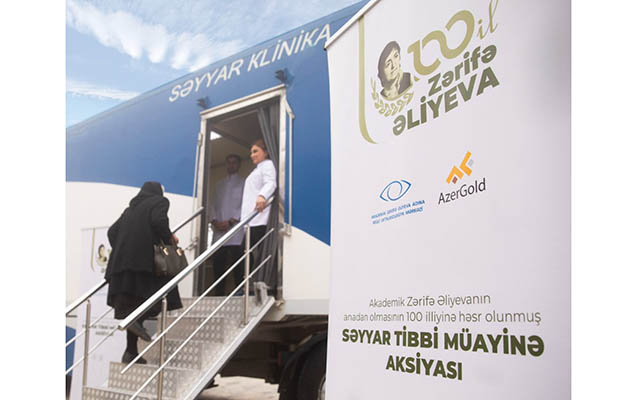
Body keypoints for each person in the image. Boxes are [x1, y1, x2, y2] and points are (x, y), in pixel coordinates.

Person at [105, 181, 183, 364]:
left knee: (134, 306)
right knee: (164, 293)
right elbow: (159, 221)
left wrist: (124, 248)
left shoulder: (129, 210)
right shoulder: (160, 201)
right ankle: (136, 321)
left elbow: (111, 232)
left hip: (122, 267)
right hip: (144, 264)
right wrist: (170, 239)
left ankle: (130, 352)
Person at [208, 154, 245, 295]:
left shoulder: (244, 183)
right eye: (228, 162)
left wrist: (231, 221)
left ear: (239, 165)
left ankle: (239, 293)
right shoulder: (219, 185)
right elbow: (212, 205)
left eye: (234, 162)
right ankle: (219, 294)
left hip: (236, 231)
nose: (231, 165)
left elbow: (245, 205)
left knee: (238, 265)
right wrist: (215, 221)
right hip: (219, 232)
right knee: (218, 265)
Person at [240, 139, 276, 283]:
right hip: (251, 220)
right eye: (251, 152)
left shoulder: (267, 165)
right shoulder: (257, 169)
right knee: (247, 253)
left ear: (266, 152)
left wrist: (262, 196)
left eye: (256, 151)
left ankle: (250, 285)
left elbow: (271, 182)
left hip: (259, 219)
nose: (252, 155)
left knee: (246, 253)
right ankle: (248, 285)